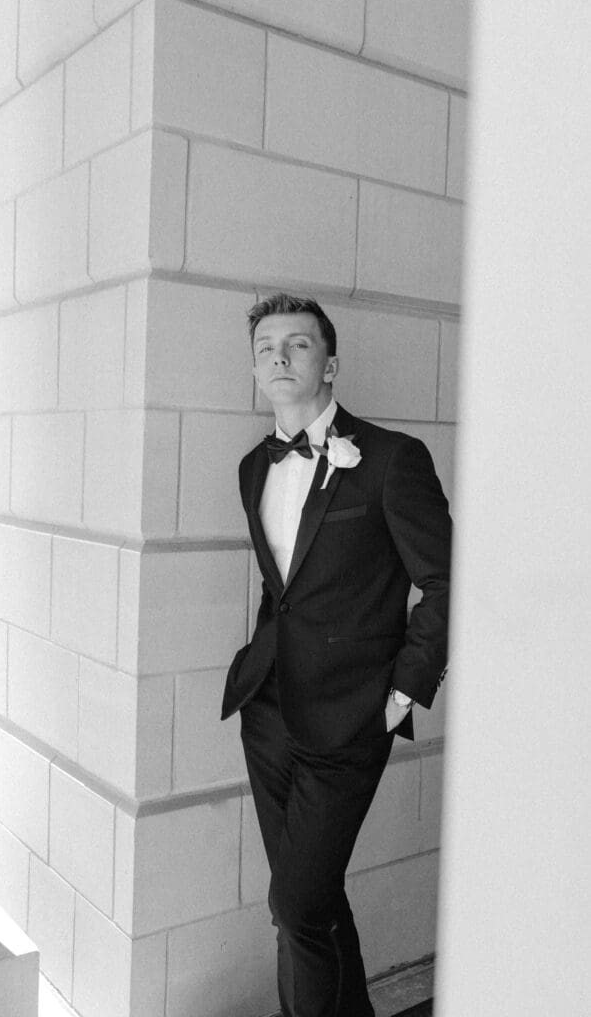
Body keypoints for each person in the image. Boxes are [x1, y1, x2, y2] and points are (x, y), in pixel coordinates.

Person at [221, 293, 451, 1017]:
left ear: (329, 364)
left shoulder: (390, 459)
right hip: (268, 710)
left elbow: (444, 581)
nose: (279, 357)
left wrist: (404, 691)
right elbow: (284, 592)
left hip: (352, 716)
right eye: (265, 347)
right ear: (254, 369)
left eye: (297, 343)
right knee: (311, 901)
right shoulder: (252, 468)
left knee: (293, 905)